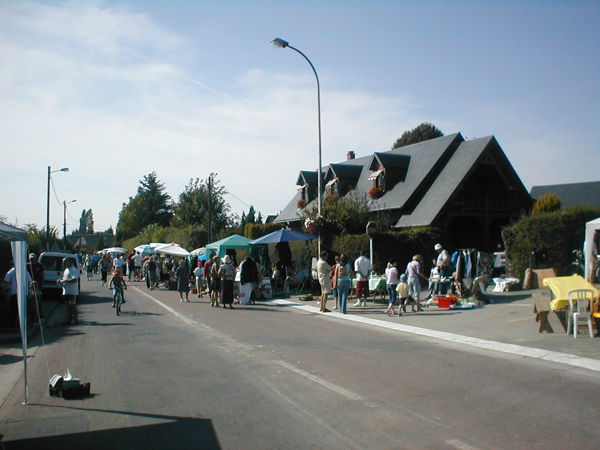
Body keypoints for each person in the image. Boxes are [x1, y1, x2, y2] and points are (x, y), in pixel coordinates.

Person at [4, 261, 33, 328]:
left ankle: (13, 324)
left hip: (14, 294)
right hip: (24, 294)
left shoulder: (10, 272)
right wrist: (30, 292)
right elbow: (30, 282)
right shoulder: (24, 271)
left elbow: (6, 283)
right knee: (23, 310)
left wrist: (6, 293)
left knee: (13, 310)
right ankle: (23, 324)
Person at [58, 257, 80, 325]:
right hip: (66, 291)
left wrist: (64, 281)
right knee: (68, 306)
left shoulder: (73, 269)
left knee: (72, 305)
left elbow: (75, 279)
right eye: (63, 262)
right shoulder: (66, 270)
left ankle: (75, 320)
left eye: (64, 262)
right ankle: (70, 319)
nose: (63, 264)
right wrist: (61, 281)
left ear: (69, 262)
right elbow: (66, 278)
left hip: (72, 291)